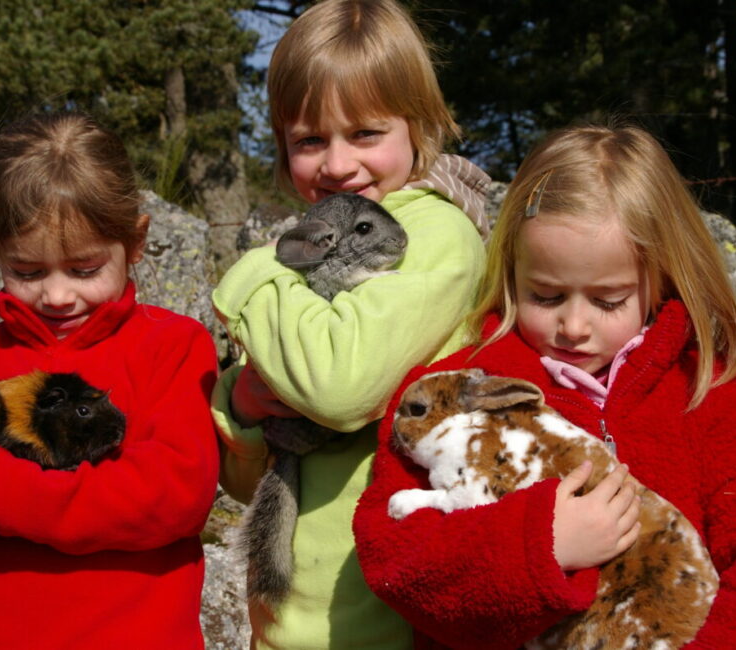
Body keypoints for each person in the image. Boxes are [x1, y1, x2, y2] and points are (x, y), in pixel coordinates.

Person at [353, 124, 736, 648]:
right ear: (512, 272)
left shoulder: (727, 399)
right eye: (545, 295)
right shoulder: (454, 394)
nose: (574, 327)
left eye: (608, 301)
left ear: (663, 279)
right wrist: (538, 544)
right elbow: (396, 559)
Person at [0, 112, 220, 649]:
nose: (56, 296)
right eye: (27, 271)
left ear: (137, 240)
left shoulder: (171, 346)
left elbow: (175, 495)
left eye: (83, 269)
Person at [211, 0, 492, 647]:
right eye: (309, 140)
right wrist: (244, 407)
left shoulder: (433, 233)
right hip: (291, 618)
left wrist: (256, 273)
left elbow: (340, 388)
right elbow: (248, 478)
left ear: (417, 127)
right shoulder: (316, 242)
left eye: (364, 133)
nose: (336, 164)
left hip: (387, 617)